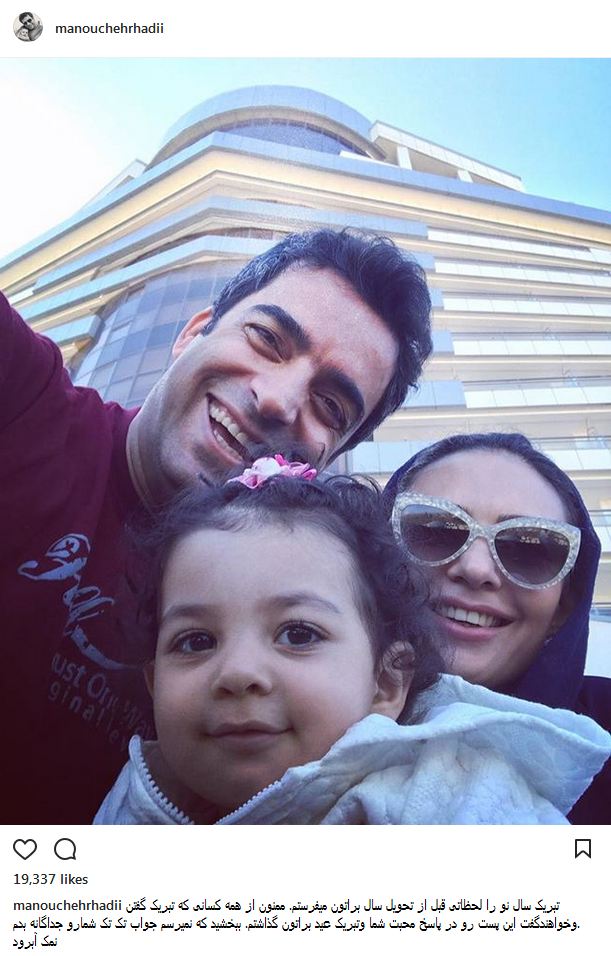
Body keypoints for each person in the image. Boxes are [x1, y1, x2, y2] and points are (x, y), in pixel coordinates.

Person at [1, 228, 433, 824]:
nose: (279, 400)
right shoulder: (23, 402)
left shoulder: (340, 617)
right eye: (267, 339)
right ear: (193, 332)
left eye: (330, 406)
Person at [94, 458, 610, 824]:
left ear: (387, 680)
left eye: (530, 547)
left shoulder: (449, 799)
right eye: (434, 528)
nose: (237, 671)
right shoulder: (134, 795)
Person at [383, 431, 611, 823]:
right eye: (434, 529)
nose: (475, 569)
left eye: (530, 547)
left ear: (564, 607)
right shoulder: (293, 711)